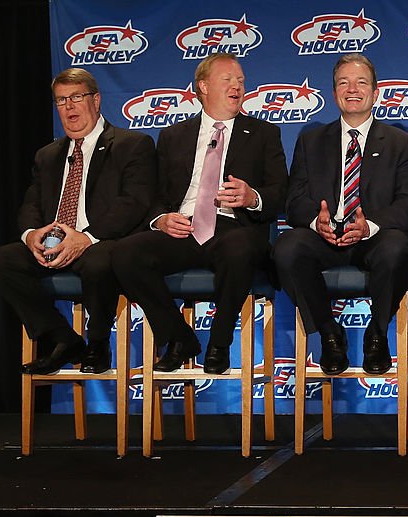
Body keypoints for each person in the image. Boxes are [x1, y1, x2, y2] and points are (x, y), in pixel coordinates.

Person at [112, 54, 288, 374]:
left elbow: (280, 193)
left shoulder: (264, 133)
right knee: (124, 253)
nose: (237, 85)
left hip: (235, 229)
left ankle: (219, 343)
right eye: (228, 79)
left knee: (239, 248)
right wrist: (161, 219)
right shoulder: (173, 136)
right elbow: (155, 197)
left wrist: (253, 197)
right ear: (203, 86)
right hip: (185, 228)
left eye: (241, 81)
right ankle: (179, 338)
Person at [0, 68, 156, 375]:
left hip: (100, 241)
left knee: (100, 262)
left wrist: (86, 238)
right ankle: (63, 339)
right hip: (54, 240)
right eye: (61, 100)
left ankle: (98, 343)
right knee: (1, 261)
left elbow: (134, 203)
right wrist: (31, 234)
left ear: (96, 100)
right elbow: (31, 203)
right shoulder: (47, 155)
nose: (69, 107)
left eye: (76, 97)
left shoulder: (132, 144)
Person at [275, 54, 408, 375]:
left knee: (397, 247)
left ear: (375, 92)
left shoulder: (400, 143)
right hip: (324, 237)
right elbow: (294, 200)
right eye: (343, 83)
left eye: (361, 82)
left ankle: (377, 334)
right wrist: (316, 221)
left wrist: (370, 227)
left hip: (373, 240)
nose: (352, 89)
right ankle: (329, 333)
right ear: (334, 92)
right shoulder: (310, 141)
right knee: (287, 248)